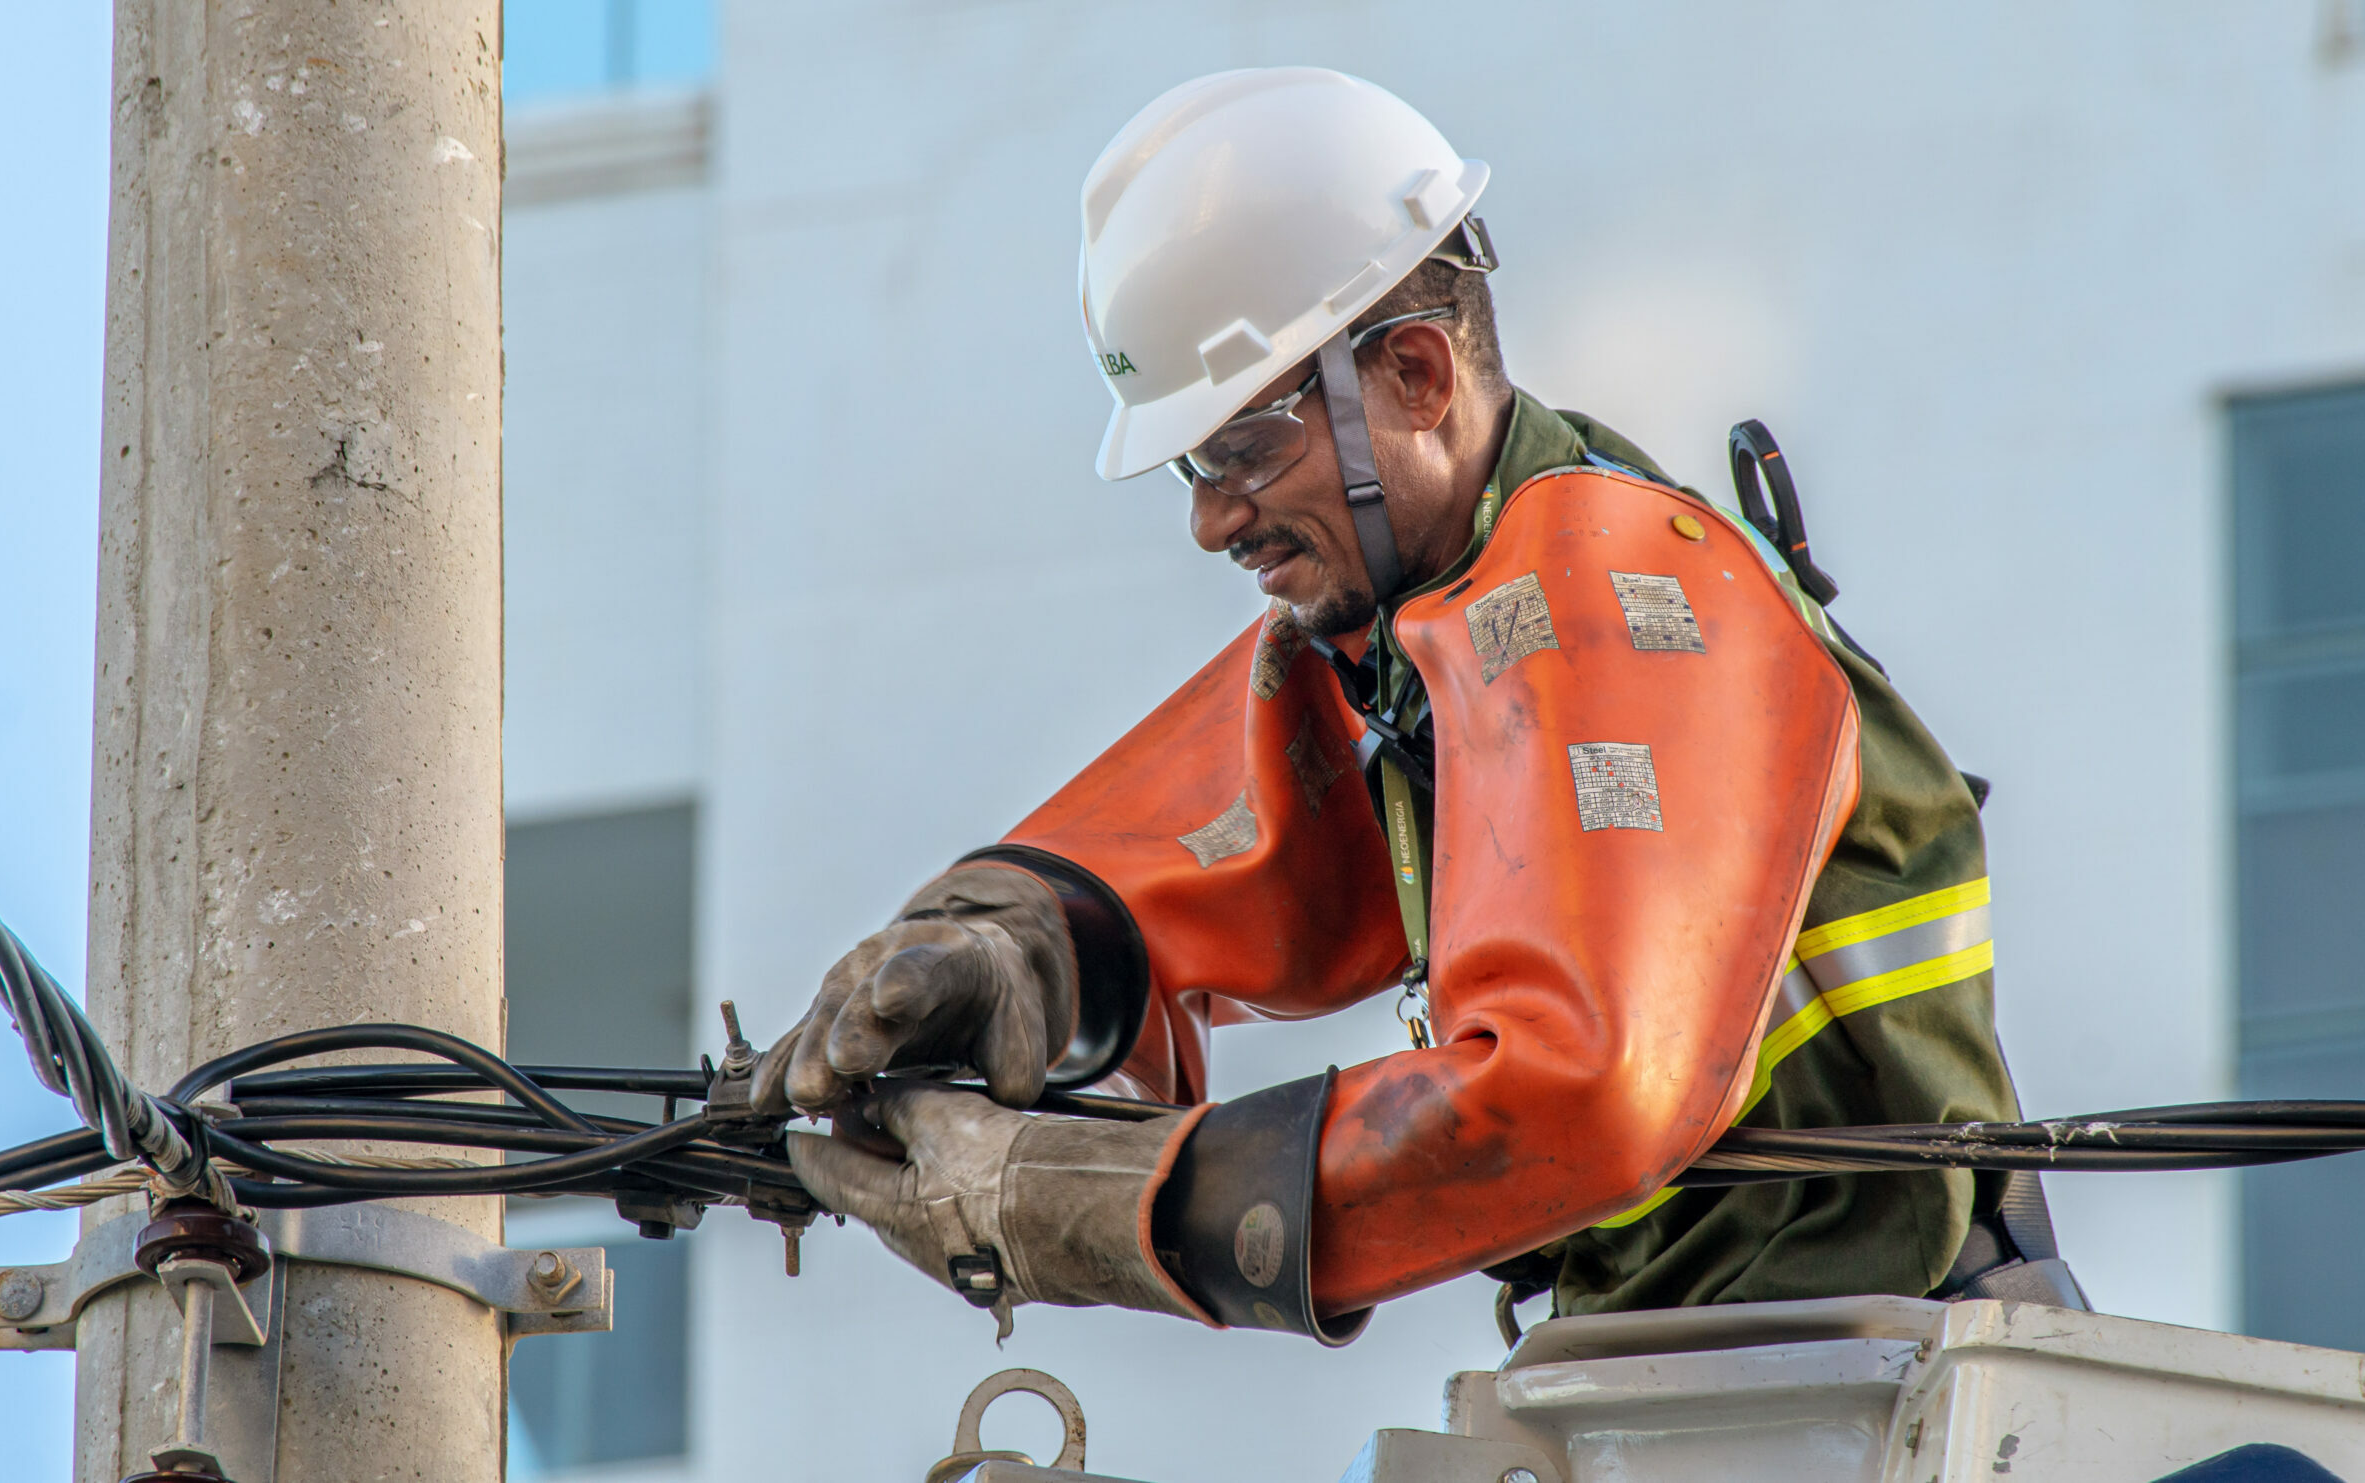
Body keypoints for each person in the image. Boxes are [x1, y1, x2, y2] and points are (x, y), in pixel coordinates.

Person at [761, 68, 2069, 1345]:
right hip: (1701, 1354)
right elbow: (1219, 840)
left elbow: (1581, 1093)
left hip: (1870, 1352)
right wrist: (1011, 943)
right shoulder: (1442, 626)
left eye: (1240, 451)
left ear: (1418, 377)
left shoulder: (1610, 602)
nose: (1212, 520)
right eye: (1189, 469)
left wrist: (1107, 1208)